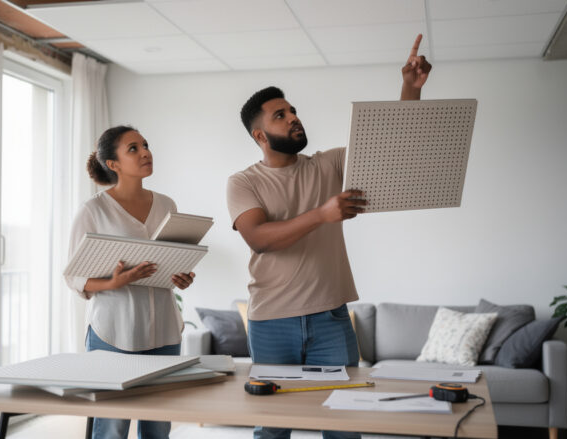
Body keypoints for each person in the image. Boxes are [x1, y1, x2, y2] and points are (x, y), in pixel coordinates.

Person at [226, 35, 432, 439]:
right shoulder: (242, 182)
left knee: (344, 424)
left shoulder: (330, 163)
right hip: (271, 322)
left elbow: (392, 147)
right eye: (280, 116)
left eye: (293, 111)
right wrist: (322, 214)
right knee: (273, 428)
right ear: (259, 136)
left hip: (331, 319)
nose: (293, 118)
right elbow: (259, 238)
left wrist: (410, 89)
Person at [65, 125, 196, 439]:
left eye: (145, 145)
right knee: (111, 429)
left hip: (164, 333)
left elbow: (171, 263)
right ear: (113, 164)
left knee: (158, 428)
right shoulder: (92, 210)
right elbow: (73, 277)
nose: (145, 152)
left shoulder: (167, 205)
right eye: (133, 148)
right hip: (114, 334)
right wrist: (114, 282)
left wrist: (182, 277)